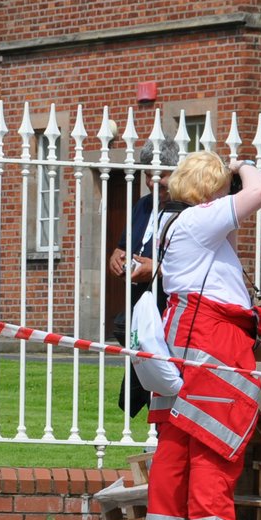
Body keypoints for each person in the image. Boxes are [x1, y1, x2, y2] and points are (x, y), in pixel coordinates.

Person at [142, 150, 261, 520]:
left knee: (174, 450)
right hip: (212, 338)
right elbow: (260, 190)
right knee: (214, 447)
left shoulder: (168, 221)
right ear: (210, 192)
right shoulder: (202, 219)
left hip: (181, 332)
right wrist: (243, 166)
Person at [107, 138, 181, 416]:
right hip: (139, 302)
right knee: (129, 338)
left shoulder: (187, 209)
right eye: (148, 175)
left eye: (160, 175)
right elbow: (124, 246)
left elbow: (193, 264)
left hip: (169, 304)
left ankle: (143, 401)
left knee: (161, 376)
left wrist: (157, 269)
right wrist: (117, 256)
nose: (153, 182)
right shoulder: (141, 205)